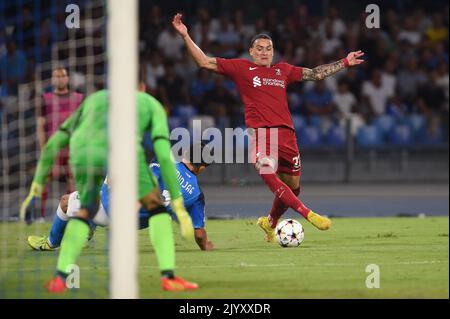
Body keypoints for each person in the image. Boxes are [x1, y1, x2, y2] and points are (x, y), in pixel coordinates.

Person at [172, 13, 364, 242]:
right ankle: (308, 214)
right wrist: (185, 35)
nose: (264, 52)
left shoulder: (282, 70)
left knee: (293, 187)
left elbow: (314, 74)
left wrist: (344, 62)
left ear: (273, 52)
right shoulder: (241, 68)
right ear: (251, 52)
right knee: (268, 172)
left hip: (288, 136)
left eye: (268, 48)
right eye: (259, 48)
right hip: (262, 135)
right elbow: (204, 61)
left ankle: (269, 222)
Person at [20, 87, 197, 293]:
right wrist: (178, 205)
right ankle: (168, 276)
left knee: (69, 202)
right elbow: (164, 159)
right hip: (134, 219)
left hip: (107, 208)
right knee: (154, 207)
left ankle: (52, 248)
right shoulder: (150, 112)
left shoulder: (95, 109)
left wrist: (37, 184)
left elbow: (54, 145)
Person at [27, 143, 214, 251]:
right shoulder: (197, 196)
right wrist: (206, 245)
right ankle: (89, 227)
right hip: (132, 224)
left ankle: (50, 243)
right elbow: (199, 233)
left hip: (112, 209)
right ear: (203, 168)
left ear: (186, 153)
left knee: (65, 202)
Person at [36, 67, 84, 218]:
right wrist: (43, 147)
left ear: (68, 78)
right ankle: (40, 216)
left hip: (72, 147)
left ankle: (71, 214)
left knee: (73, 181)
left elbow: (84, 124)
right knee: (45, 179)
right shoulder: (45, 98)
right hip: (53, 147)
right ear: (52, 79)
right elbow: (40, 124)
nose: (60, 79)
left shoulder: (79, 98)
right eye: (56, 76)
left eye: (62, 76)